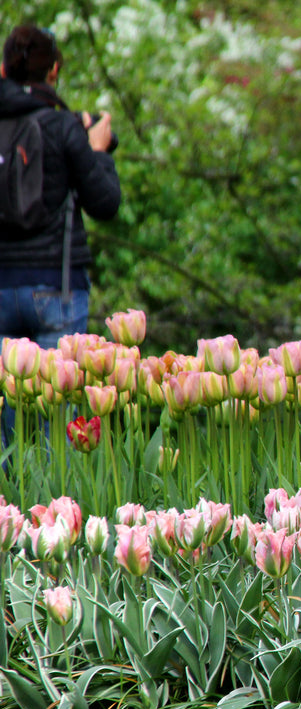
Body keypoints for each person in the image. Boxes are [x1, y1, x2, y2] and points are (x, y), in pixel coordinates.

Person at [0, 24, 121, 442]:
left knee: (6, 424)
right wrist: (99, 152)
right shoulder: (63, 127)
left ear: (3, 69)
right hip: (57, 286)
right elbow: (104, 203)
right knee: (60, 422)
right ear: (53, 72)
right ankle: (58, 507)